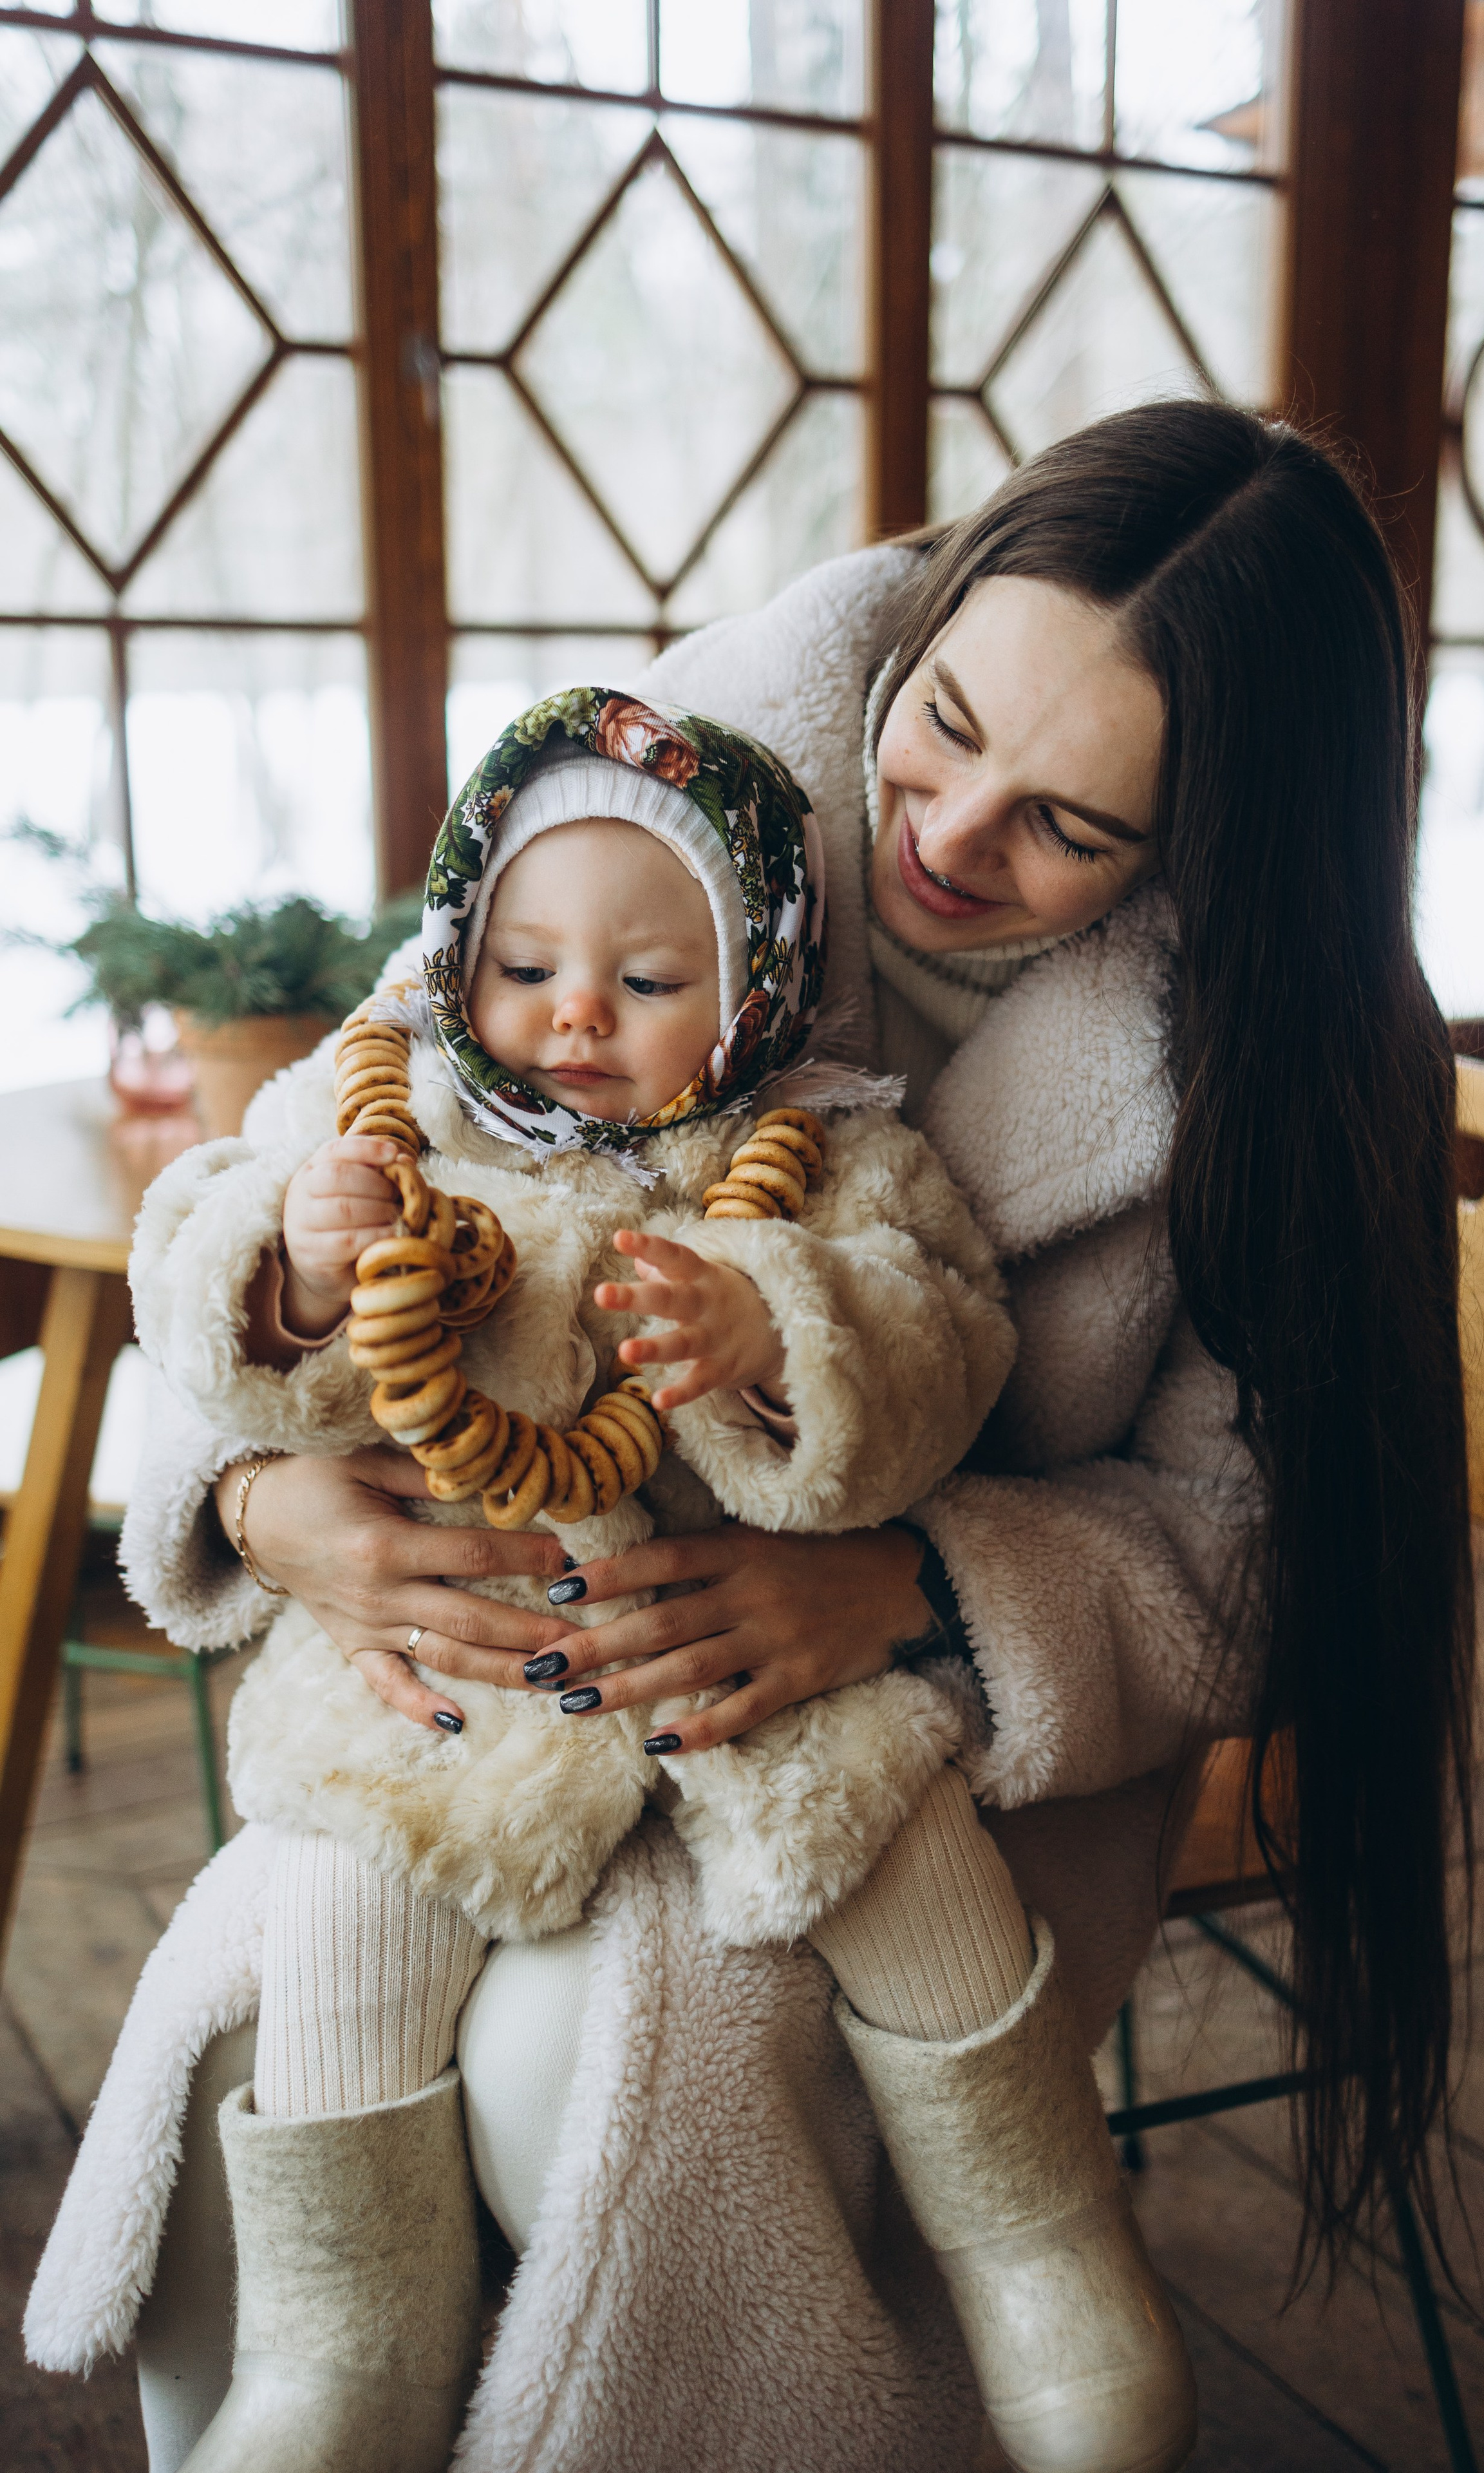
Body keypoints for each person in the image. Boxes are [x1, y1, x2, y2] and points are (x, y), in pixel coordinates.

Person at [28, 403, 1474, 2473]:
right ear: (932, 611)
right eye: (946, 719)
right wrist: (268, 1502)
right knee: (279, 2017)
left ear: (1222, 858)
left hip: (933, 1759)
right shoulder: (662, 775)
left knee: (568, 2085)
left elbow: (1252, 1555)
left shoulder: (1283, 1066)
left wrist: (912, 1588)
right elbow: (311, 1162)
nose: (954, 833)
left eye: (1072, 826)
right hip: (500, 1673)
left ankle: (997, 2298)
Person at [120, 688, 1193, 2473]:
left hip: (753, 1658)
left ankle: (1042, 2248)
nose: (573, 1017)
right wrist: (297, 1282)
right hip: (451, 1676)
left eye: (645, 981)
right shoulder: (396, 1126)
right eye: (527, 964)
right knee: (345, 1905)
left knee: (901, 1848)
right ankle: (340, 2351)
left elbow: (945, 1341)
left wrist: (777, 1328)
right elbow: (201, 1301)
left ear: (761, 985)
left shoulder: (821, 1146)